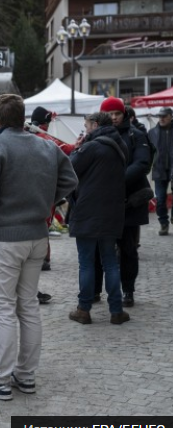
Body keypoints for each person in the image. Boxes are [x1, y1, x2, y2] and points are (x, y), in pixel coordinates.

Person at [0, 94, 77, 401]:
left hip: (5, 237)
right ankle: (25, 375)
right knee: (27, 306)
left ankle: (0, 381)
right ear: (22, 117)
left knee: (3, 309)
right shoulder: (45, 145)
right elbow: (70, 179)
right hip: (37, 235)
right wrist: (44, 201)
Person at [67, 112, 131, 325]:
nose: (85, 130)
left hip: (88, 211)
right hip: (112, 211)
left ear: (95, 125)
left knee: (86, 263)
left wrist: (77, 148)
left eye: (86, 126)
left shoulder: (92, 147)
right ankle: (116, 311)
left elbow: (70, 168)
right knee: (110, 262)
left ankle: (83, 309)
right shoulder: (120, 145)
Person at [100, 96, 153, 308]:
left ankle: (128, 289)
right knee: (99, 250)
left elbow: (142, 163)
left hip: (129, 201)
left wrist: (117, 181)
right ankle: (95, 290)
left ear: (124, 114)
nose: (114, 117)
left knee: (128, 249)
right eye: (110, 114)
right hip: (104, 201)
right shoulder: (96, 135)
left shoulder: (136, 135)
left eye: (117, 114)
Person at [29, 106, 74, 293]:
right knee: (43, 226)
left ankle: (41, 258)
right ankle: (42, 258)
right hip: (45, 190)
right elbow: (67, 150)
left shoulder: (32, 136)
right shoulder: (45, 139)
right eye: (47, 122)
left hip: (34, 190)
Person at [149, 107, 173, 236]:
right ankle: (163, 223)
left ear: (170, 116)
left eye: (164, 116)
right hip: (159, 169)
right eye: (160, 116)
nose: (161, 118)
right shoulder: (152, 132)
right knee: (160, 199)